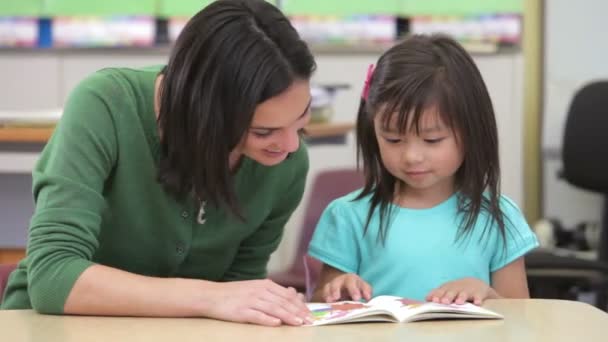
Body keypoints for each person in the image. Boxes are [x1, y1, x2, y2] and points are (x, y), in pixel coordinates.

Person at [1, 0, 316, 327]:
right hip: (49, 328)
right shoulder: (105, 104)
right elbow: (53, 276)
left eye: (302, 117)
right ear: (204, 111)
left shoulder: (287, 164)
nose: (290, 145)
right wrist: (209, 297)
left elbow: (240, 289)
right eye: (263, 132)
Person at [308, 34, 539, 305]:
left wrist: (487, 294)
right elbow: (322, 309)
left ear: (471, 131)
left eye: (432, 140)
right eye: (393, 139)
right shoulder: (348, 216)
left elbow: (521, 317)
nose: (412, 156)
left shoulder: (499, 217)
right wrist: (339, 290)